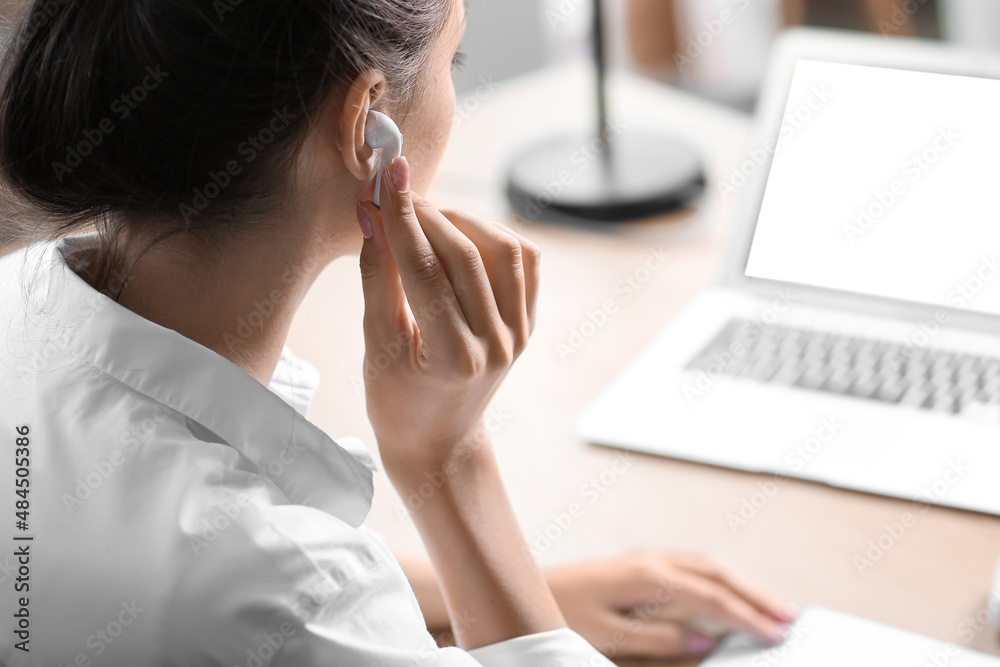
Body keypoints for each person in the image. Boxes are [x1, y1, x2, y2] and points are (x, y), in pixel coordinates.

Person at [0, 0, 796, 664]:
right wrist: (449, 462)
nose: (455, 90)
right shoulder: (289, 588)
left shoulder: (18, 290)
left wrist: (495, 590)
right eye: (457, 58)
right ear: (365, 126)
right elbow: (281, 595)